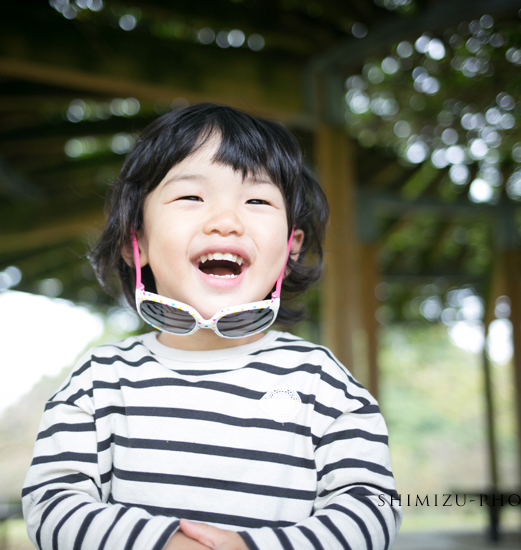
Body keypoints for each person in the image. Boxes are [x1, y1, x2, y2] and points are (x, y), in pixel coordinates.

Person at [22, 103, 401, 550]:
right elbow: (52, 503)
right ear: (135, 240)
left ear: (290, 247)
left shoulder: (324, 383)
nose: (226, 222)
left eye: (257, 201)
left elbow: (372, 506)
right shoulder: (100, 381)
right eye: (191, 197)